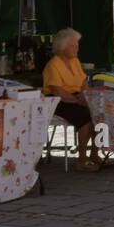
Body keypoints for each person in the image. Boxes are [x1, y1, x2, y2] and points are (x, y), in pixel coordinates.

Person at [41, 27, 100, 172]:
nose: (76, 48)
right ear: (62, 47)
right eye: (72, 45)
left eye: (77, 45)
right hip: (58, 101)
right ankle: (81, 160)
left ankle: (94, 153)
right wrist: (78, 100)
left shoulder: (75, 61)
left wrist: (86, 97)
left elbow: (83, 84)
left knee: (100, 114)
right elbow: (57, 91)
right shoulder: (53, 65)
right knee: (85, 118)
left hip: (76, 97)